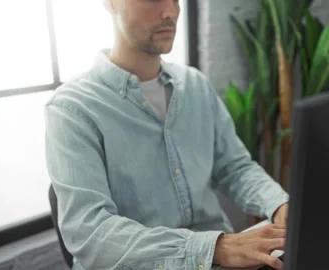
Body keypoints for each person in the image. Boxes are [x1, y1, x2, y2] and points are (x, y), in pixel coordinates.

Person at [44, 0, 290, 269]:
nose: (171, 12)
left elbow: (234, 167)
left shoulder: (195, 86)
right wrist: (213, 249)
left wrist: (278, 204)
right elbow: (91, 234)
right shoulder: (73, 109)